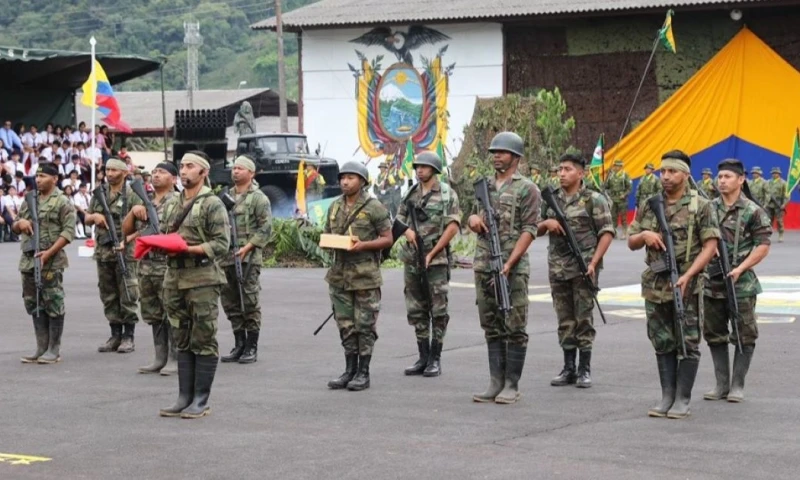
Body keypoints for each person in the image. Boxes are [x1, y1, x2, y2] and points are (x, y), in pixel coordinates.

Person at [627, 150, 720, 419]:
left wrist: (689, 274)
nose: (665, 177)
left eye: (672, 172)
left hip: (687, 283)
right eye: (662, 172)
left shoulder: (701, 205)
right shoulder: (649, 203)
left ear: (685, 174)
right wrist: (644, 234)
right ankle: (667, 395)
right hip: (656, 283)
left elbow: (710, 245)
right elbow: (631, 241)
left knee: (688, 339)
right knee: (662, 340)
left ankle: (683, 399)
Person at [468, 132, 540, 405]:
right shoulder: (483, 186)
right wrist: (473, 219)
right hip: (484, 263)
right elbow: (473, 215)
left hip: (513, 266)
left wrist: (510, 263)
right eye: (494, 151)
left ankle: (512, 384)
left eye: (502, 151)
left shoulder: (527, 189)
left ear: (515, 157)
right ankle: (495, 382)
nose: (496, 155)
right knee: (491, 324)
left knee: (514, 323)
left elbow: (530, 229)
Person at [159, 151, 230, 419]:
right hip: (175, 278)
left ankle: (201, 399)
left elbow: (222, 245)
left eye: (190, 166)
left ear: (204, 172)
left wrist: (190, 249)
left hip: (202, 280)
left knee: (203, 338)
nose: (184, 170)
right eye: (182, 166)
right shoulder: (172, 204)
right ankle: (183, 397)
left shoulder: (212, 204)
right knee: (181, 337)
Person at [537, 153, 614, 388]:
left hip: (584, 268)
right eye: (560, 169)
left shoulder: (594, 200)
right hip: (558, 267)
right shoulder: (551, 199)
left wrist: (594, 262)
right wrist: (546, 224)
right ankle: (568, 367)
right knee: (564, 318)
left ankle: (584, 368)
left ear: (581, 173)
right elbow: (533, 228)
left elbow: (607, 233)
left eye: (568, 169)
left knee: (583, 318)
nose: (561, 173)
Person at [703, 159, 771, 404]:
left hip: (741, 284)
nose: (722, 181)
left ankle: (737, 385)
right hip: (712, 281)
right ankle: (721, 384)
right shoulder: (708, 208)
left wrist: (741, 268)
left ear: (741, 180)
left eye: (727, 177)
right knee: (714, 333)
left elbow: (762, 245)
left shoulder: (753, 211)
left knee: (745, 333)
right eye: (720, 176)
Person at [323, 161, 392, 391]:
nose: (345, 181)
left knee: (364, 326)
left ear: (362, 181)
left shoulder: (374, 207)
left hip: (365, 276)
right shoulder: (334, 207)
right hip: (339, 276)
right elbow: (327, 234)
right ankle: (349, 370)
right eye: (343, 177)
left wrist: (363, 245)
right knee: (345, 325)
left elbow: (387, 239)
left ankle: (364, 372)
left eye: (351, 177)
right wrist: (328, 242)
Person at [395, 151, 461, 377]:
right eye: (417, 167)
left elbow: (453, 226)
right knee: (416, 308)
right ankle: (422, 356)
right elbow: (399, 220)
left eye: (423, 166)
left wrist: (432, 253)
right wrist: (408, 232)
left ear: (434, 169)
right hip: (412, 259)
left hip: (437, 260)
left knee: (438, 309)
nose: (419, 170)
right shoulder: (411, 194)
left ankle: (436, 357)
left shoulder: (446, 194)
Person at [12, 163, 76, 364]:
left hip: (51, 260)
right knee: (33, 302)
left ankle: (54, 349)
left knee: (53, 301)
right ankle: (41, 346)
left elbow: (68, 232)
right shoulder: (30, 199)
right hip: (29, 258)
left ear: (54, 179)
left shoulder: (62, 201)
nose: (38, 179)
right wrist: (19, 224)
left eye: (43, 176)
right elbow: (16, 224)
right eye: (37, 176)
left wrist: (49, 253)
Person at [122, 162, 180, 375]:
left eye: (162, 172)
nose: (156, 175)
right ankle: (160, 357)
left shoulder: (178, 202)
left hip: (167, 267)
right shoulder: (145, 203)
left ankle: (174, 358)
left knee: (171, 313)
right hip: (146, 267)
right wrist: (133, 212)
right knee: (153, 314)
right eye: (154, 172)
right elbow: (126, 232)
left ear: (174, 179)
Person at [85, 158, 143, 353]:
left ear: (124, 173)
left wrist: (126, 241)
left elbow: (143, 225)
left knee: (128, 291)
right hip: (103, 251)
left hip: (125, 252)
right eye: (107, 170)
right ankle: (115, 333)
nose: (109, 173)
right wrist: (95, 217)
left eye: (114, 170)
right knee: (108, 293)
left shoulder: (133, 194)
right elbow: (86, 217)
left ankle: (129, 336)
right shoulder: (99, 193)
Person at [219, 155, 272, 365]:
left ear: (251, 173)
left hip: (248, 259)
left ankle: (251, 346)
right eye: (234, 168)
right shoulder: (224, 196)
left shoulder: (258, 198)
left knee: (249, 301)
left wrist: (247, 247)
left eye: (241, 168)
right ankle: (239, 343)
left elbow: (266, 227)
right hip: (226, 258)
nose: (236, 171)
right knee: (231, 302)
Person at [604, 159, 632, 239]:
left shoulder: (624, 175)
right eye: (614, 166)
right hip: (613, 199)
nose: (615, 167)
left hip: (622, 199)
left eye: (617, 166)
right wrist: (606, 178)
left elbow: (629, 188)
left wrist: (624, 194)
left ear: (620, 166)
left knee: (623, 217)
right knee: (613, 217)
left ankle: (624, 232)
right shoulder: (611, 175)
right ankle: (614, 232)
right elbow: (607, 187)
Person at [766, 167, 787, 243]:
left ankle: (780, 234)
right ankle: (768, 235)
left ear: (779, 174)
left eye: (776, 173)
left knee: (779, 221)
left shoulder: (783, 183)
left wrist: (784, 204)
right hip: (769, 204)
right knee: (768, 220)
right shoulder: (768, 182)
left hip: (778, 204)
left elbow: (786, 195)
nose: (774, 174)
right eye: (773, 173)